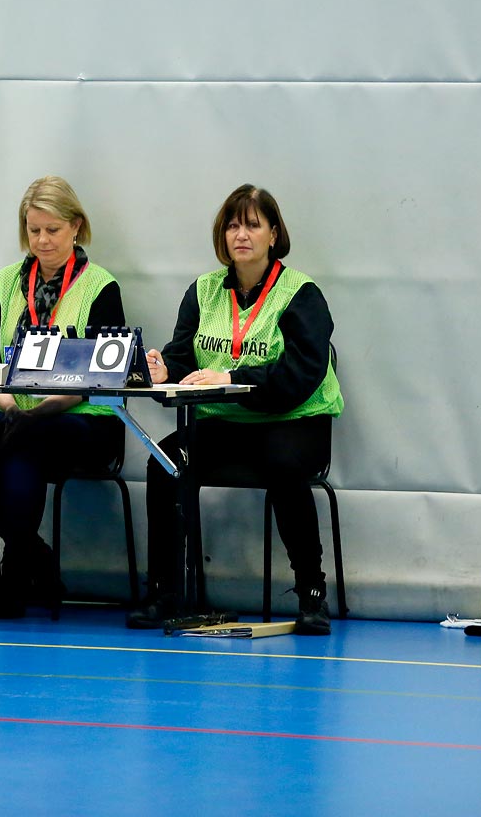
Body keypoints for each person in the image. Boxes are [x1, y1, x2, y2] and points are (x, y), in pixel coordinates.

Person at [129, 184, 345, 635]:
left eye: (252, 224)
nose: (240, 234)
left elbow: (300, 375)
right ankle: (164, 591)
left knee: (283, 465)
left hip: (295, 421)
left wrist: (232, 378)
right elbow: (184, 356)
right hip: (227, 424)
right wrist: (162, 366)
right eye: (232, 225)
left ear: (273, 234)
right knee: (163, 463)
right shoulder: (204, 290)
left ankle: (312, 593)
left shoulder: (301, 294)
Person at [0, 176, 126, 619]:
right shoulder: (6, 283)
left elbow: (103, 376)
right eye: (33, 231)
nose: (41, 241)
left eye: (53, 230)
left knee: (25, 446)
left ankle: (13, 573)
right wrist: (8, 407)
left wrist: (40, 412)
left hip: (81, 416)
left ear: (76, 227)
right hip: (8, 408)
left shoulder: (101, 286)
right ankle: (33, 553)